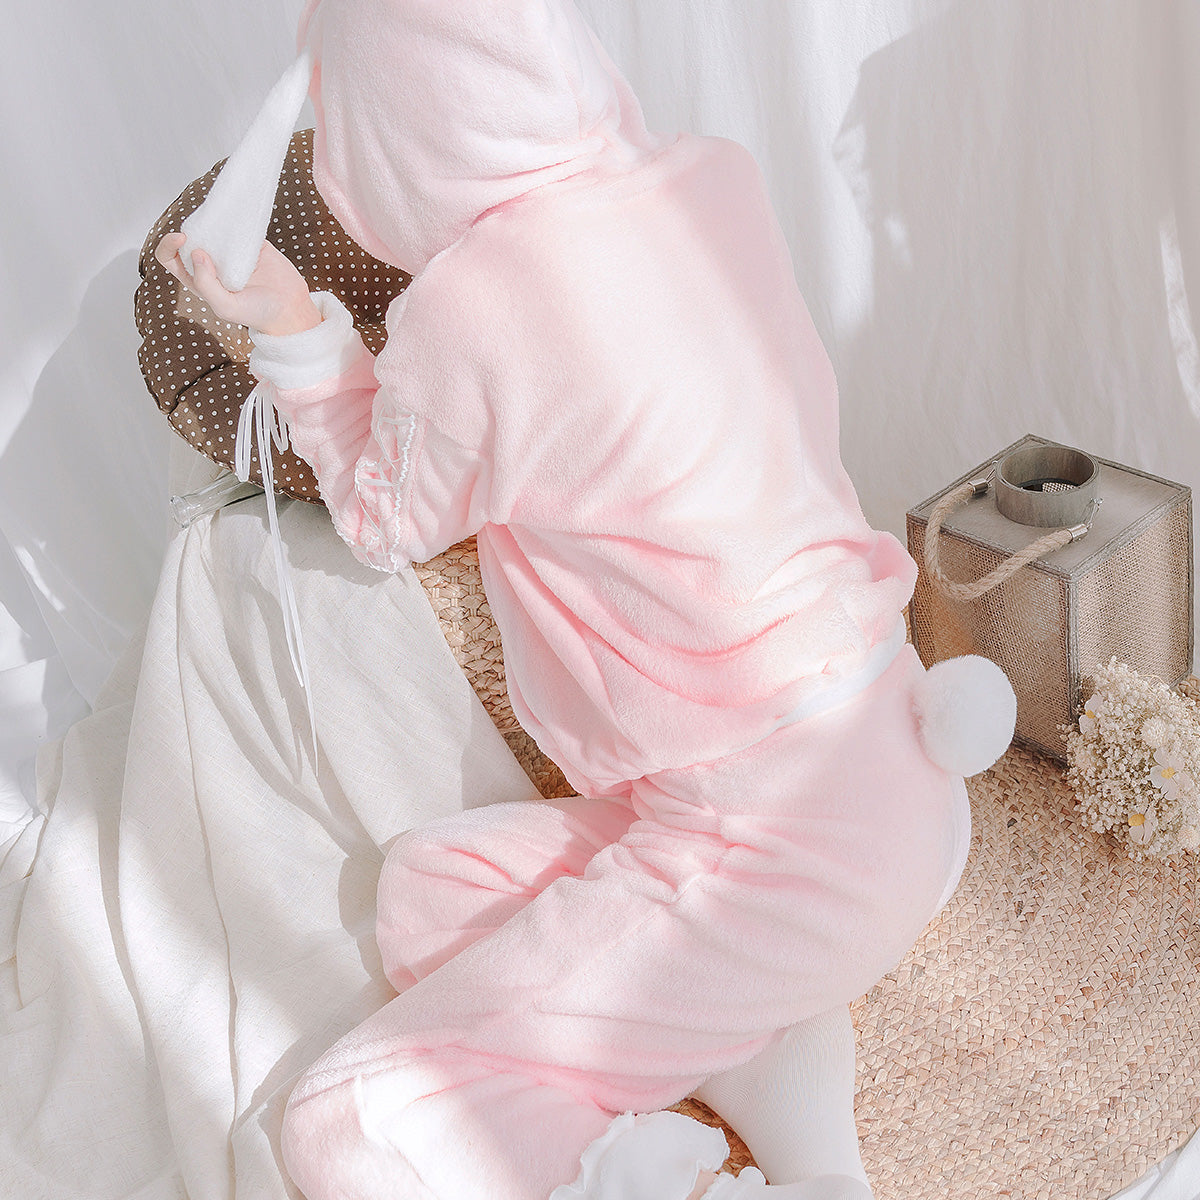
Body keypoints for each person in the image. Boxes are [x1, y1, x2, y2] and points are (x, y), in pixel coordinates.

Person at [156, 1, 1014, 1197]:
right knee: (429, 898)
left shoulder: (477, 306)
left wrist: (296, 327)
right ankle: (771, 1060)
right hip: (890, 752)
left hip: (779, 835)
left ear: (391, 138)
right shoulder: (710, 183)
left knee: (351, 1120)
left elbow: (384, 516)